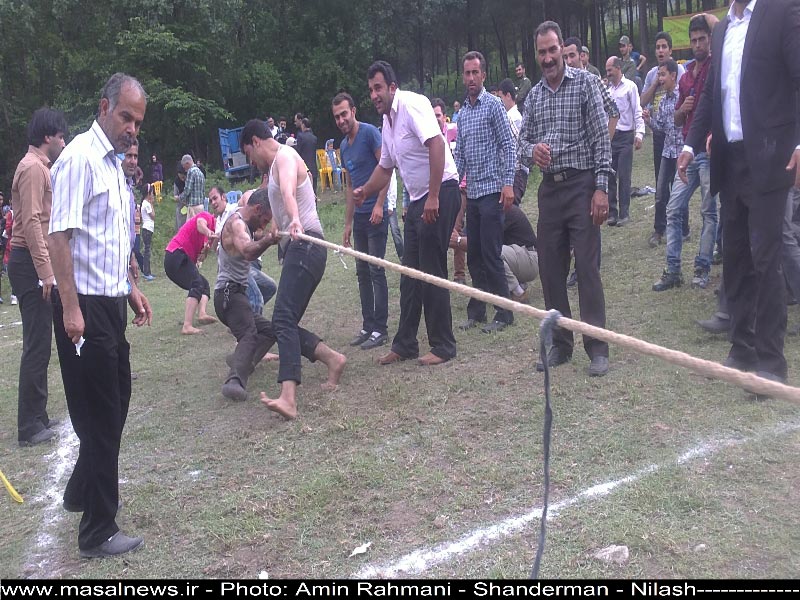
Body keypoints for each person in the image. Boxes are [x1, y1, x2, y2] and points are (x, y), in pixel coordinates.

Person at [49, 72, 151, 558]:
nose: (133, 128)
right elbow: (59, 237)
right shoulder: (79, 159)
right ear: (104, 107)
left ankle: (79, 489)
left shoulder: (114, 165)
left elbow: (106, 241)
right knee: (101, 413)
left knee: (116, 403)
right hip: (84, 306)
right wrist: (70, 308)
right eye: (126, 117)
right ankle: (97, 530)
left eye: (138, 122)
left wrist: (130, 290)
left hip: (110, 303)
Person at [677, 0, 800, 388]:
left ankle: (770, 362)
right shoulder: (721, 29)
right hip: (729, 161)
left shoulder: (783, 11)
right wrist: (689, 145)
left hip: (770, 158)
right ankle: (741, 349)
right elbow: (714, 93)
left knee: (766, 260)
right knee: (735, 260)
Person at [518, 21, 612, 377]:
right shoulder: (535, 97)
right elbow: (520, 143)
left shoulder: (587, 84)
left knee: (586, 269)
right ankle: (561, 345)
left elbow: (601, 140)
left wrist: (601, 188)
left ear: (563, 49)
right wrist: (533, 152)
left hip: (582, 186)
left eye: (552, 50)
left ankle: (597, 349)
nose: (547, 58)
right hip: (550, 191)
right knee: (550, 270)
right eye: (541, 52)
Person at [355, 60, 461, 367]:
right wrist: (365, 190)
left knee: (430, 271)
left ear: (391, 87)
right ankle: (405, 344)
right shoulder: (387, 123)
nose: (374, 95)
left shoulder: (413, 105)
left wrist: (435, 196)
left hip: (440, 191)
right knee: (410, 275)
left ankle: (443, 346)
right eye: (370, 90)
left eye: (378, 88)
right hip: (417, 201)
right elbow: (385, 168)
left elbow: (437, 146)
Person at [240, 119, 347, 419]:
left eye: (249, 154)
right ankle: (333, 359)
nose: (252, 162)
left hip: (308, 244)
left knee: (283, 319)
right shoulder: (272, 169)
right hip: (302, 248)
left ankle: (289, 397)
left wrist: (295, 221)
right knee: (283, 324)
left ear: (256, 142)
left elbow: (289, 194)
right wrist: (275, 231)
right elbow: (280, 208)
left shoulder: (285, 157)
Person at [8, 108, 67, 447]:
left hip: (33, 261)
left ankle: (38, 415)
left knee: (42, 342)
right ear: (48, 137)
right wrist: (46, 271)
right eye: (60, 136)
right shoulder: (32, 169)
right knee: (37, 343)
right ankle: (29, 426)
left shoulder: (38, 168)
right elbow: (30, 222)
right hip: (29, 262)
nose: (63, 142)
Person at [652, 13, 719, 285]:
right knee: (673, 207)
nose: (698, 44)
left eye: (703, 39)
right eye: (694, 40)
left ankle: (702, 268)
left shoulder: (716, 67)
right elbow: (677, 119)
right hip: (688, 150)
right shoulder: (686, 74)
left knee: (709, 212)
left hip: (710, 150)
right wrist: (682, 109)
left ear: (710, 40)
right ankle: (673, 270)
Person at [454, 51, 516, 334]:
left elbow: (509, 145)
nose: (470, 78)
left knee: (491, 254)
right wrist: (453, 184)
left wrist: (508, 183)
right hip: (474, 195)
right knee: (474, 255)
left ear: (483, 75)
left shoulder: (494, 106)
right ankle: (477, 311)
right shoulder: (462, 114)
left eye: (474, 73)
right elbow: (462, 156)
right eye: (466, 73)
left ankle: (504, 313)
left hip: (493, 191)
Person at [333, 92, 391, 351]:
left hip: (376, 214)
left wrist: (379, 204)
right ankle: (368, 325)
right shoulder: (344, 146)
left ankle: (381, 328)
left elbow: (386, 169)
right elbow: (350, 187)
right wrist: (347, 224)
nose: (341, 120)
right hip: (359, 218)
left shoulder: (370, 134)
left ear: (353, 111)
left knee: (377, 270)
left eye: (344, 114)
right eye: (337, 117)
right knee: (362, 273)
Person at [451, 203, 538, 303]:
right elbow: (469, 239)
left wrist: (458, 240)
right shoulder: (481, 211)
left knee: (490, 251)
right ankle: (511, 286)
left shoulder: (502, 209)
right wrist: (455, 237)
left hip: (530, 259)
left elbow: (483, 244)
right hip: (516, 257)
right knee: (486, 254)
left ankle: (519, 293)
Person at [164, 210, 218, 334]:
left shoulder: (208, 238)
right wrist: (208, 231)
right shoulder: (208, 217)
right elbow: (200, 224)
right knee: (197, 283)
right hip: (176, 253)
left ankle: (202, 314)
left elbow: (200, 257)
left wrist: (204, 252)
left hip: (177, 259)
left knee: (203, 284)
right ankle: (187, 326)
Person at [605, 56, 644, 227]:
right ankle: (612, 213)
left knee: (624, 175)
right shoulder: (607, 90)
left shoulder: (630, 87)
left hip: (626, 136)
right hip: (611, 137)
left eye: (610, 70)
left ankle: (624, 213)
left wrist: (640, 134)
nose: (608, 74)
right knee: (610, 175)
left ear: (618, 68)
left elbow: (637, 110)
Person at [432, 98, 465, 284]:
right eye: (432, 115)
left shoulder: (454, 131)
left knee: (456, 231)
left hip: (465, 185)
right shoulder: (428, 137)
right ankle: (453, 275)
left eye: (438, 115)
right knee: (451, 230)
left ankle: (460, 274)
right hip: (447, 190)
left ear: (445, 117)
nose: (435, 119)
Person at [175, 154, 205, 218]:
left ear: (187, 163)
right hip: (201, 206)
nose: (184, 168)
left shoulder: (191, 172)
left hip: (193, 207)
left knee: (190, 227)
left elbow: (187, 190)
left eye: (184, 166)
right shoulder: (200, 172)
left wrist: (179, 198)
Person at [295, 117, 318, 194]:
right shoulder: (314, 138)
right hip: (314, 167)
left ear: (303, 125)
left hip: (304, 168)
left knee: (305, 193)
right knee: (313, 192)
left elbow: (298, 152)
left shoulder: (300, 137)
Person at [140, 185, 155, 280]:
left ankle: (148, 271)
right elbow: (153, 216)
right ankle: (146, 272)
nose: (153, 195)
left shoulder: (144, 203)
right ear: (148, 194)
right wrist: (152, 204)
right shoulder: (147, 204)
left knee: (147, 251)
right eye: (152, 193)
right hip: (147, 229)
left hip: (147, 229)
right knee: (147, 251)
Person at [173, 165, 187, 232]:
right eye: (180, 176)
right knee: (180, 226)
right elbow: (175, 194)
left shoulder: (189, 180)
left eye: (183, 176)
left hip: (189, 205)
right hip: (181, 206)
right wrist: (176, 197)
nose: (182, 178)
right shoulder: (177, 181)